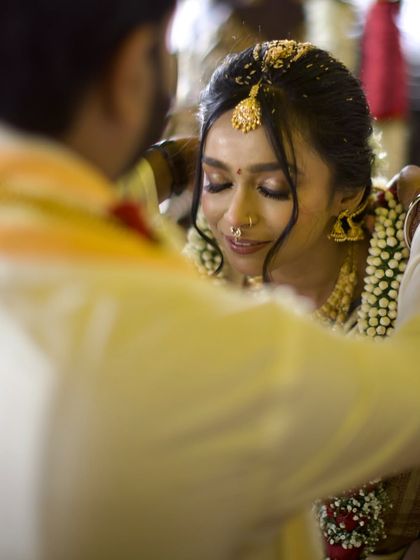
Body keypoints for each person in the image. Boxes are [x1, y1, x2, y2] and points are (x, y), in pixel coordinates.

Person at [1, 3, 420, 560]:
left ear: (347, 195)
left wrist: (174, 166)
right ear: (130, 72)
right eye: (214, 181)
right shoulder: (203, 330)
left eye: (272, 188)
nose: (235, 219)